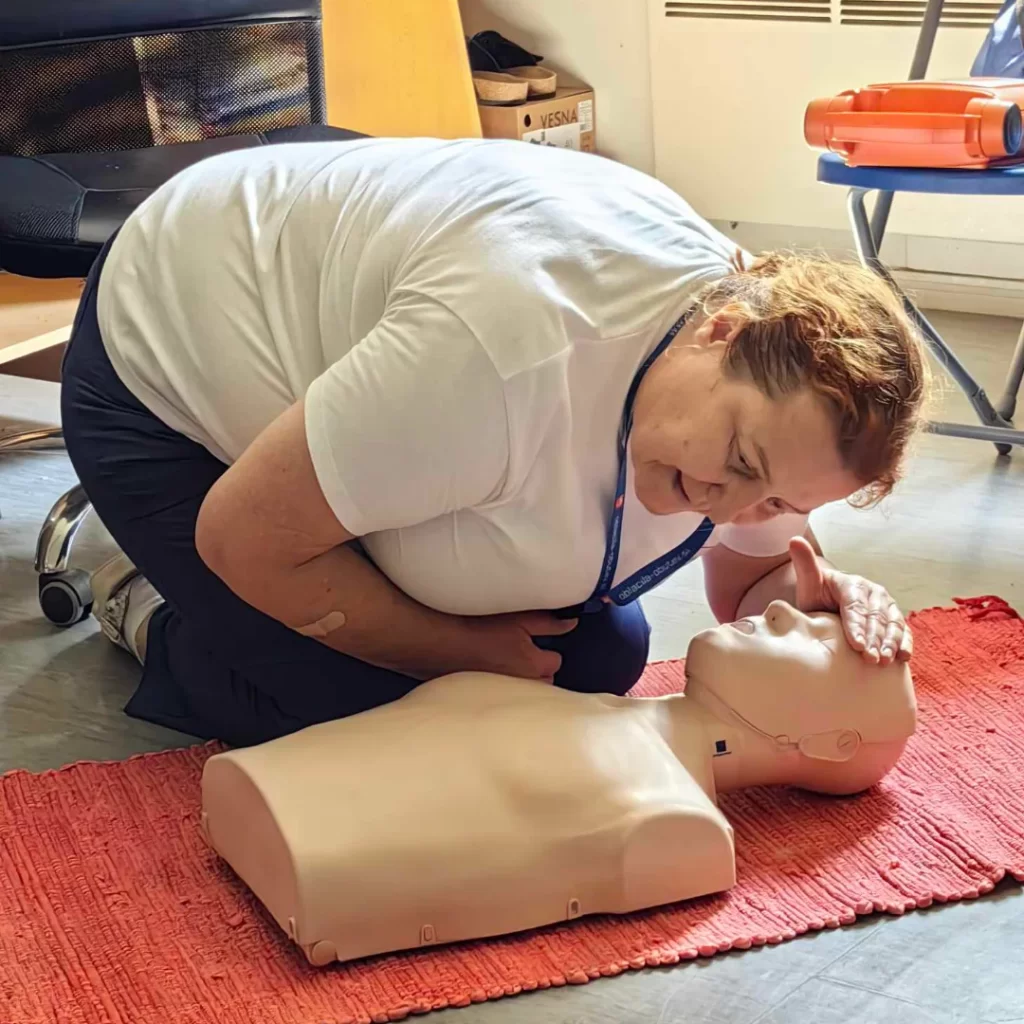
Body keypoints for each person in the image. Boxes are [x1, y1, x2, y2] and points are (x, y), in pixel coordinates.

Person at [61, 137, 928, 748]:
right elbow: (242, 535)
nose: (732, 509)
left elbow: (749, 564)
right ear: (719, 330)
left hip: (370, 354)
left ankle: (344, 493)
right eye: (739, 467)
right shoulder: (502, 355)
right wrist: (442, 648)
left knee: (597, 661)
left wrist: (810, 605)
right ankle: (135, 588)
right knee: (367, 710)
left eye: (779, 500)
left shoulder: (754, 391)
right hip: (164, 355)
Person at [202, 602, 917, 965]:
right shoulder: (589, 710)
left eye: (816, 638)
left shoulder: (676, 825)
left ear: (833, 744)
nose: (788, 611)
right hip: (265, 792)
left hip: (306, 861)